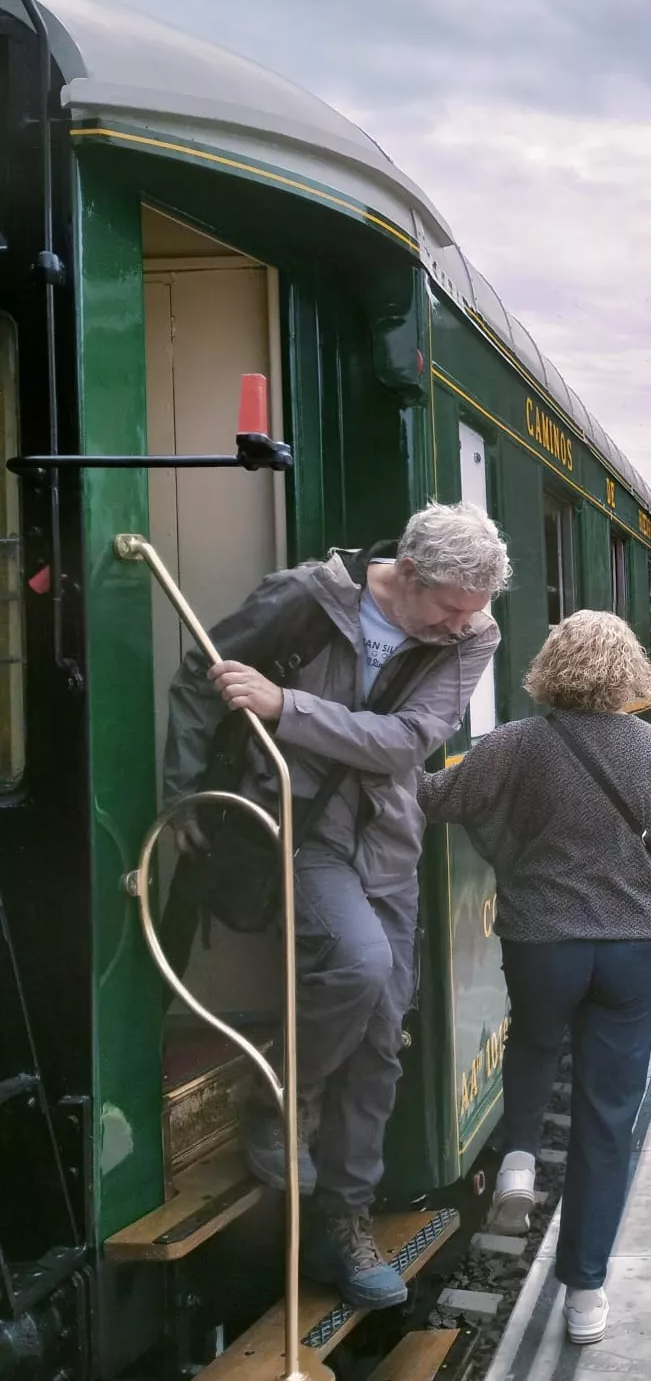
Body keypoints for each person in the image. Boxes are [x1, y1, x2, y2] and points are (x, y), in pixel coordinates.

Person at [163, 502, 506, 1308]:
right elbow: (197, 678)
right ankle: (279, 1095)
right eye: (451, 610)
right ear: (408, 576)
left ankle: (342, 1224)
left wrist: (288, 707)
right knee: (357, 964)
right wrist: (183, 795)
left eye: (475, 613)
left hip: (385, 840)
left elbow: (405, 743)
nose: (464, 629)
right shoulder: (304, 597)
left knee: (384, 1032)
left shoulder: (474, 630)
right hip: (295, 826)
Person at [419, 611, 651, 1347]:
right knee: (608, 1120)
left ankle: (516, 1164)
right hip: (635, 947)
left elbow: (433, 801)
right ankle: (586, 1295)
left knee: (536, 1042)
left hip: (543, 941)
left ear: (552, 664)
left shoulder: (515, 744)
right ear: (628, 670)